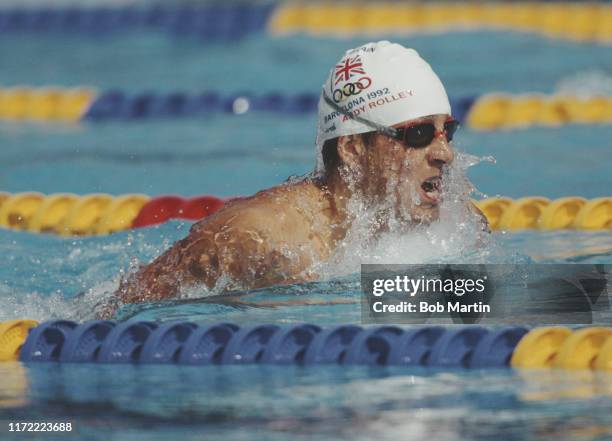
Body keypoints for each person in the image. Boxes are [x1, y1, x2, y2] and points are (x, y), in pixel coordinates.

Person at [111, 41, 486, 310]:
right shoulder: (266, 240)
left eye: (446, 131)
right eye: (417, 135)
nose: (445, 153)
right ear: (352, 149)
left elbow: (520, 307)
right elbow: (117, 311)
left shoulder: (458, 223)